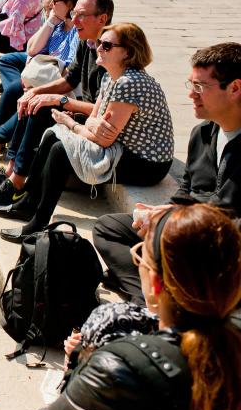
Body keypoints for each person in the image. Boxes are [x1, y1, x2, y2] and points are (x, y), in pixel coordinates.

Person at [0, 203, 241, 410]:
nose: (136, 262)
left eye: (140, 257)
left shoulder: (121, 364)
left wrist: (80, 368)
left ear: (156, 285)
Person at [0, 23, 174, 243]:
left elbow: (103, 137)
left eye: (107, 45)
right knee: (53, 135)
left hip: (146, 163)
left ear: (127, 52)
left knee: (61, 150)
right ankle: (27, 204)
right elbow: (94, 120)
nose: (99, 48)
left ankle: (38, 224)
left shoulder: (129, 83)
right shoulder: (111, 76)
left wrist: (70, 123)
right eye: (100, 43)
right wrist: (91, 125)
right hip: (122, 147)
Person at [94, 42, 241, 303]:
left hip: (224, 245)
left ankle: (152, 298)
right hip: (186, 230)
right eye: (191, 85)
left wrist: (176, 217)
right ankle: (147, 300)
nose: (191, 95)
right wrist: (157, 213)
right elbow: (186, 190)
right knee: (109, 228)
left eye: (200, 87)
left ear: (235, 88)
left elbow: (231, 214)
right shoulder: (203, 133)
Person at [0, 0, 112, 211]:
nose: (74, 20)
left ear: (102, 19)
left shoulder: (108, 51)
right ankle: (11, 172)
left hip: (96, 121)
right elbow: (69, 81)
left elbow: (101, 110)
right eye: (74, 14)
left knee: (40, 109)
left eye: (81, 15)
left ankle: (17, 183)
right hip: (83, 111)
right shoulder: (86, 43)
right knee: (31, 99)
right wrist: (37, 92)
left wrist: (59, 101)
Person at [0, 0, 83, 168]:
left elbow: (68, 71)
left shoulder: (77, 32)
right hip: (43, 72)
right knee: (12, 80)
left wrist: (33, 88)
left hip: (58, 81)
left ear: (70, 4)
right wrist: (50, 20)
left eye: (55, 0)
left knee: (21, 94)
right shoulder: (57, 24)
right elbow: (32, 49)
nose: (50, 2)